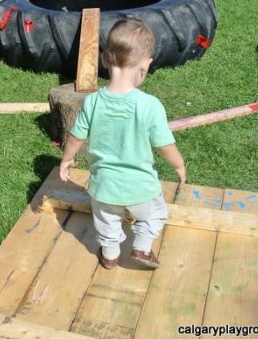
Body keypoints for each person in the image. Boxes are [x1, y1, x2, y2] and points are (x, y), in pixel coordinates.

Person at [58, 19, 186, 270]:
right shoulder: (149, 105)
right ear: (145, 64)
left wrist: (66, 159)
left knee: (107, 222)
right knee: (155, 215)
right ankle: (142, 247)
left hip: (103, 188)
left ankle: (110, 255)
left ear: (105, 59)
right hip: (141, 189)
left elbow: (76, 136)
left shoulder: (93, 101)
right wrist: (179, 165)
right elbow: (164, 145)